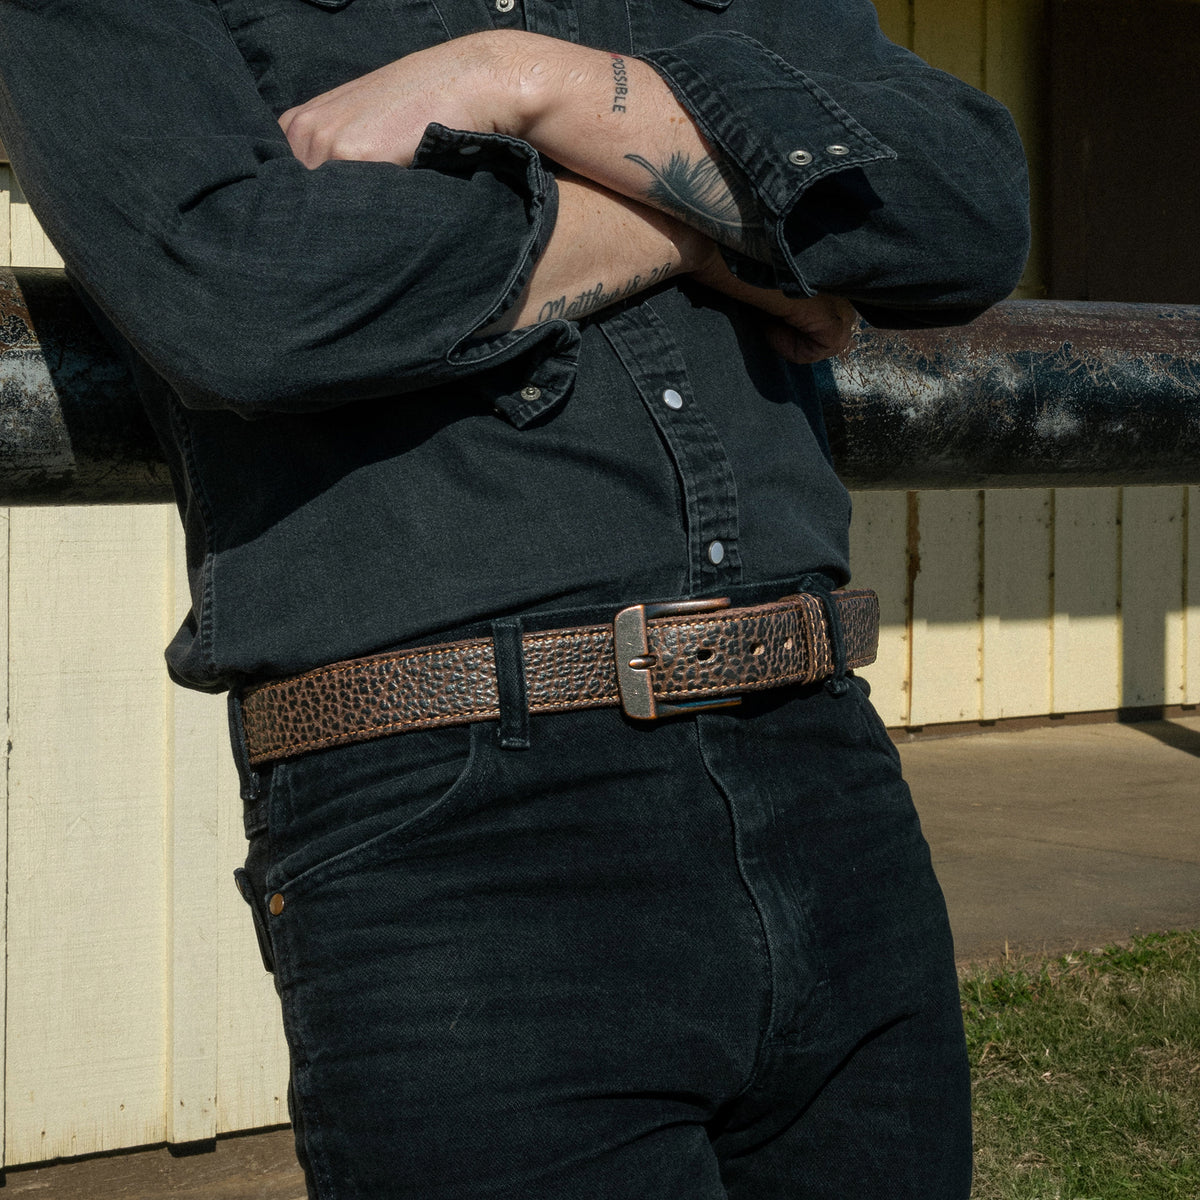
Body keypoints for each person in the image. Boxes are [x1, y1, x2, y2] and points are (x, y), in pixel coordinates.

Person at [0, 2, 1028, 1197]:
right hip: (458, 829)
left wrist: (524, 81)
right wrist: (704, 229)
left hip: (822, 760)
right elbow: (246, 294)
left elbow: (961, 211)